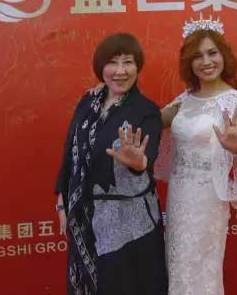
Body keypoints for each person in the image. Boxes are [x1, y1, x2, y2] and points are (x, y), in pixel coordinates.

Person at [54, 33, 168, 295]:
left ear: (137, 67)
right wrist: (62, 201)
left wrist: (138, 162)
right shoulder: (88, 102)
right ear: (100, 67)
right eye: (112, 62)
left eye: (128, 62)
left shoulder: (146, 110)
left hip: (129, 226)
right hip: (84, 217)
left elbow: (146, 158)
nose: (120, 71)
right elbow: (70, 151)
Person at [158, 16, 237, 295]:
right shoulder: (185, 99)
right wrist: (109, 91)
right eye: (197, 56)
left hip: (209, 197)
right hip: (179, 194)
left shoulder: (235, 100)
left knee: (202, 266)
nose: (206, 61)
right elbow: (151, 120)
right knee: (178, 263)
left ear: (223, 55)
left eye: (212, 53)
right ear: (188, 63)